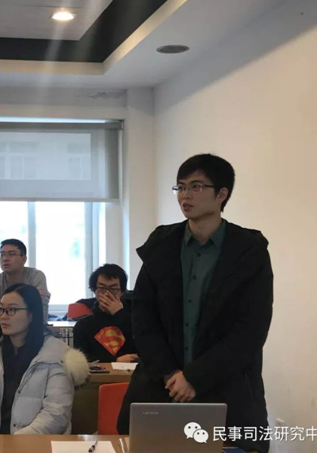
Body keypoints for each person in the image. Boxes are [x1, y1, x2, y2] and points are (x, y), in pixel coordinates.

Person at [117, 154, 273, 453]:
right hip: (160, 384)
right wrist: (170, 373)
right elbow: (144, 318)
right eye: (181, 187)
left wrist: (194, 377)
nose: (185, 195)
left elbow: (251, 330)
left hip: (226, 387)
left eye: (197, 186)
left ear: (222, 194)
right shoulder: (161, 244)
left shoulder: (249, 251)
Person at [0, 283, 88, 435]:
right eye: (1, 309)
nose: (3, 315)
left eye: (12, 310)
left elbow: (55, 415)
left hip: (36, 444)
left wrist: (15, 444)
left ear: (32, 314)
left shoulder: (57, 355)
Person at [73, 264, 137, 363]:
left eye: (114, 289)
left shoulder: (135, 320)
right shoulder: (83, 325)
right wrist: (115, 360)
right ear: (94, 290)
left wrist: (120, 314)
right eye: (102, 288)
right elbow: (81, 358)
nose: (107, 294)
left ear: (122, 291)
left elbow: (145, 347)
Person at [0, 239, 51, 323]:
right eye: (2, 255)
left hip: (31, 330)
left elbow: (40, 315)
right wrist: (28, 299)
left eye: (11, 254)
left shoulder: (36, 276)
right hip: (1, 329)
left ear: (24, 259)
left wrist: (2, 306)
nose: (5, 258)